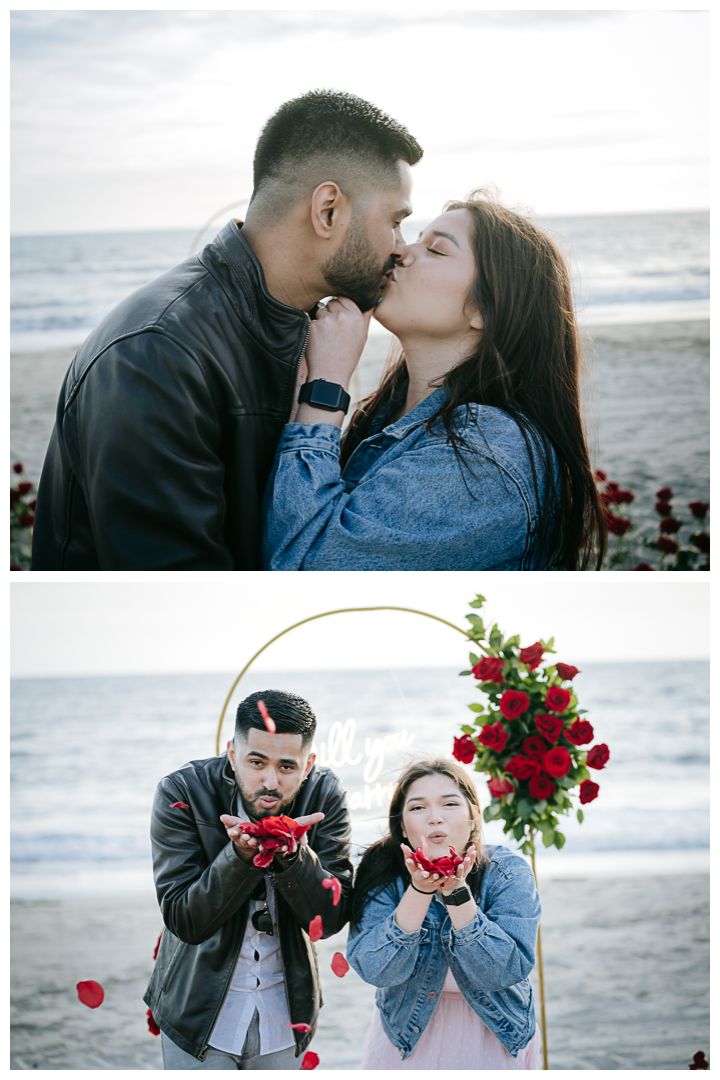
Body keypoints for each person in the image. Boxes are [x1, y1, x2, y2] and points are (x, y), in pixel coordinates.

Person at [31, 90, 422, 569]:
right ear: (328, 211)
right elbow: (176, 594)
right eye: (396, 221)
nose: (402, 247)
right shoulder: (159, 353)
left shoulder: (304, 327)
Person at [262, 191, 607, 570]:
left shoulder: (486, 454)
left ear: (485, 308)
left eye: (436, 250)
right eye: (414, 237)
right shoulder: (390, 414)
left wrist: (326, 388)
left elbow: (306, 567)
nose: (401, 250)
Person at [143, 689, 353, 1069]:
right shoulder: (182, 791)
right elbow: (183, 919)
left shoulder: (325, 794)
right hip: (196, 1012)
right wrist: (239, 857)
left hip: (286, 1013)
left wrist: (293, 856)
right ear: (232, 752)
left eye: (287, 767)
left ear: (309, 765)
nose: (270, 782)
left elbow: (332, 919)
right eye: (256, 762)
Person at [346, 758, 541, 1069]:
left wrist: (456, 894)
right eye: (418, 808)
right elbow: (375, 970)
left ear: (474, 816)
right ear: (401, 827)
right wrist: (420, 890)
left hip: (496, 1032)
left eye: (450, 804)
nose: (435, 818)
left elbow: (503, 972)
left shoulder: (508, 873)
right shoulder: (381, 872)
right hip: (406, 1035)